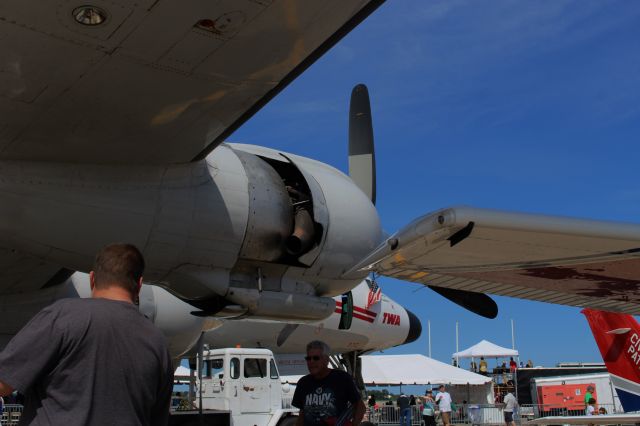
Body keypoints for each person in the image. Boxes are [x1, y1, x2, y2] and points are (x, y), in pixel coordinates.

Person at [0, 243, 174, 425]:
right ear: (139, 285)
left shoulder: (61, 317)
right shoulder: (157, 342)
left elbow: (3, 383)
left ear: (92, 278)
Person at [293, 340, 365, 426]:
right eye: (308, 358)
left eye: (316, 358)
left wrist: (354, 424)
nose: (311, 362)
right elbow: (302, 413)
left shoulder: (342, 378)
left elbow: (360, 407)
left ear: (326, 360)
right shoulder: (303, 383)